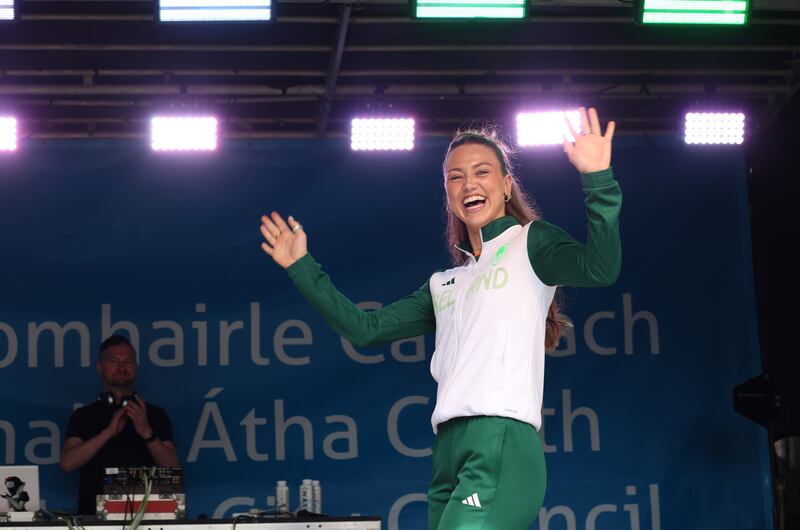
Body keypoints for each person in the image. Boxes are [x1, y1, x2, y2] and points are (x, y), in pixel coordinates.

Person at [259, 107, 621, 530]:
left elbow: (601, 268)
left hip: (501, 442)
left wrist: (598, 179)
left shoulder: (531, 242)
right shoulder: (445, 283)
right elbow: (364, 330)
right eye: (455, 176)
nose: (469, 184)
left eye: (482, 172)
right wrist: (302, 267)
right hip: (447, 452)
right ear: (448, 194)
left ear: (506, 185)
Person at [60, 335, 180, 515]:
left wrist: (146, 432)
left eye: (128, 361)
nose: (122, 367)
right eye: (113, 361)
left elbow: (173, 470)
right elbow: (67, 463)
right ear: (99, 367)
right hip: (94, 520)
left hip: (147, 518)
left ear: (136, 367)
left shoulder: (155, 414)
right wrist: (108, 433)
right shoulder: (83, 416)